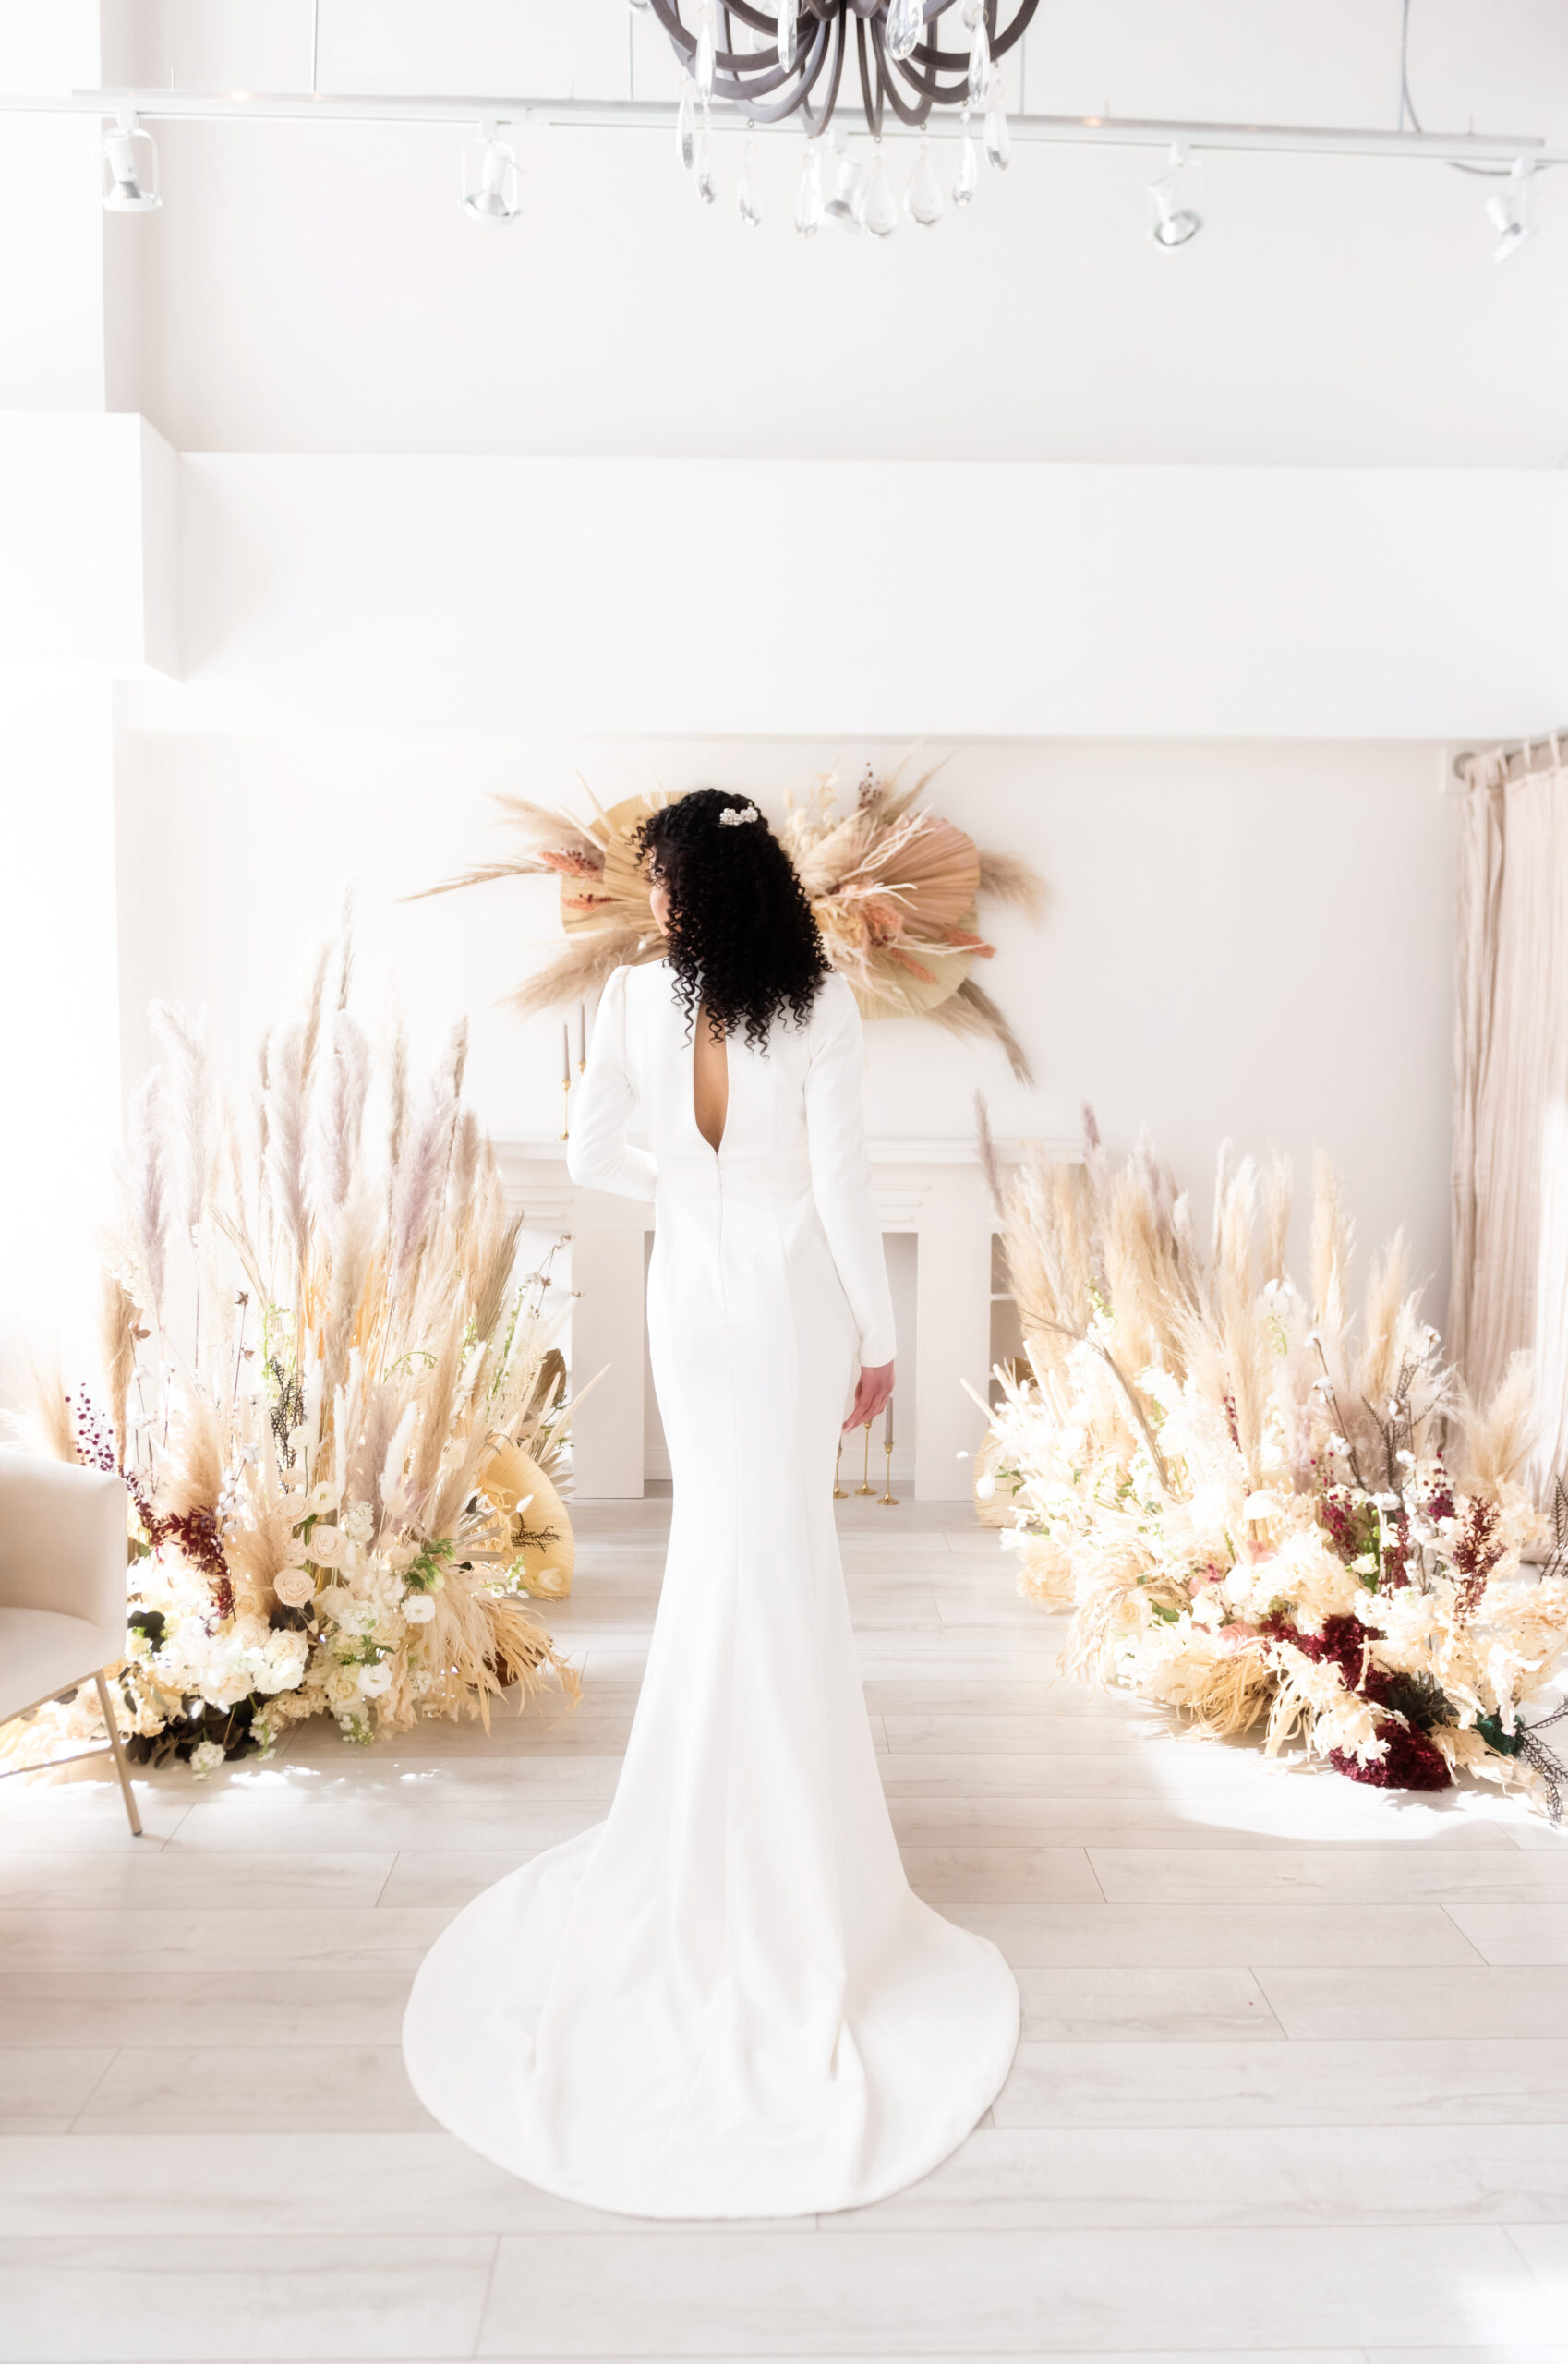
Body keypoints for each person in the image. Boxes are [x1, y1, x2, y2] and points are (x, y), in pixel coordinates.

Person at [402, 787, 1019, 2219]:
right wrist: (875, 1336)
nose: (658, 902)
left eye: (666, 880)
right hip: (794, 1297)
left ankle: (703, 1827)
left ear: (688, 891)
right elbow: (843, 1186)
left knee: (718, 1559)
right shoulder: (822, 1010)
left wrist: (684, 1184)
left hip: (698, 1294)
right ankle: (803, 1854)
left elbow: (592, 1153)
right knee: (782, 1554)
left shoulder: (626, 1001)